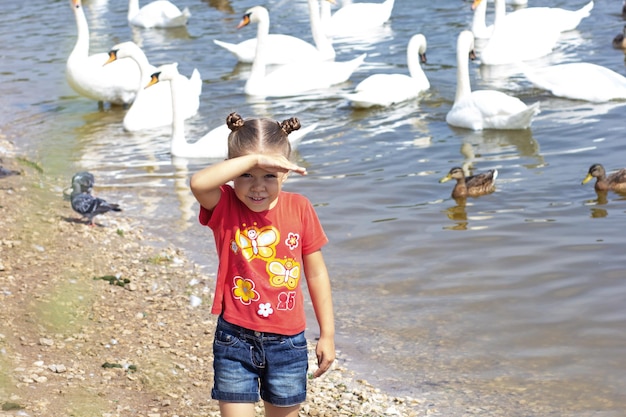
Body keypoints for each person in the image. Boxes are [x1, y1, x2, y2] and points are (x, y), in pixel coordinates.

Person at [190, 112, 335, 417]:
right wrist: (255, 158)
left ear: (286, 171)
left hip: (288, 344)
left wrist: (328, 334)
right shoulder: (224, 205)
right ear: (231, 170)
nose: (258, 187)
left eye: (269, 174)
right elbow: (198, 182)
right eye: (247, 174)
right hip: (235, 340)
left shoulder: (300, 208)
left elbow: (317, 273)